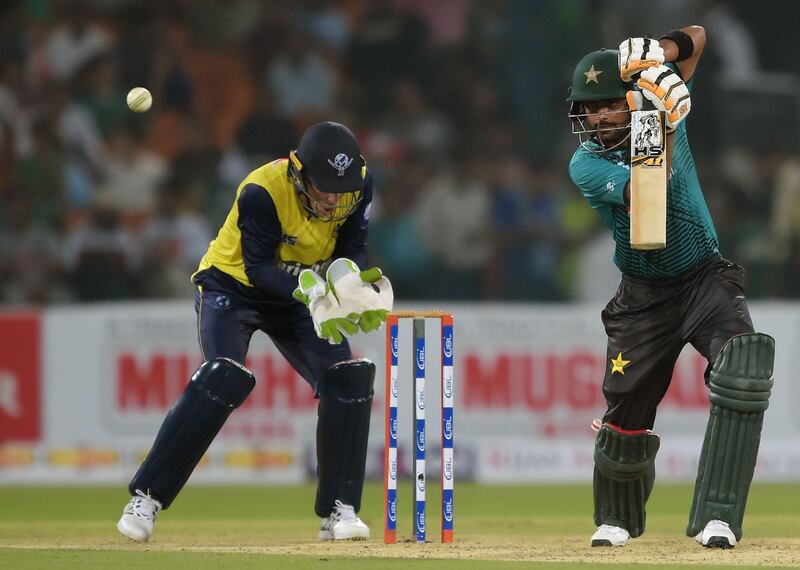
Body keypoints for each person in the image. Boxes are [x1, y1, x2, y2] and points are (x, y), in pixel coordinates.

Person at [116, 121, 393, 542]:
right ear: (298, 172)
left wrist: (347, 281)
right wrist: (310, 289)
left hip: (304, 294)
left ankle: (341, 510)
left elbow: (353, 245)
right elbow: (259, 269)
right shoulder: (261, 190)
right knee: (223, 375)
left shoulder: (358, 186)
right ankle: (147, 498)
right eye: (323, 188)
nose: (334, 199)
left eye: (342, 189)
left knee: (349, 378)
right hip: (234, 287)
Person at [566, 27, 775, 549]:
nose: (597, 118)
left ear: (630, 97)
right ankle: (616, 518)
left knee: (743, 370)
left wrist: (653, 55)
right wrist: (665, 122)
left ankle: (718, 517)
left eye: (610, 104)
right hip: (643, 296)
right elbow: (648, 201)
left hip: (704, 277)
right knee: (627, 404)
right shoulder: (587, 163)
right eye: (589, 110)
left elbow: (700, 37)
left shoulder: (655, 101)